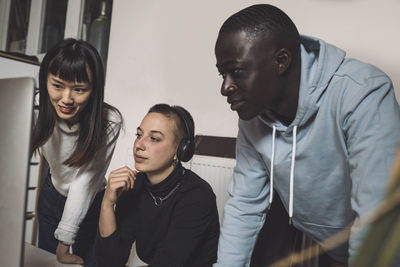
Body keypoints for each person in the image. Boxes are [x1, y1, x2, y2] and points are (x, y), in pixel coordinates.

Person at [213, 4, 400, 267]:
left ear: (281, 61)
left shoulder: (361, 93)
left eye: (237, 71)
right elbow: (244, 205)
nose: (225, 87)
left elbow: (375, 220)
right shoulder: (253, 116)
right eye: (222, 73)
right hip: (332, 249)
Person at [31, 38, 123, 266]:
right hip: (52, 195)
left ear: (94, 90)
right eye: (58, 85)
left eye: (79, 89)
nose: (66, 99)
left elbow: (83, 183)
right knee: (46, 261)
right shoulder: (36, 105)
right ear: (46, 81)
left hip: (91, 201)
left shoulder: (109, 122)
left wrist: (64, 244)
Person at [95, 104, 220, 267]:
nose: (139, 145)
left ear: (180, 149)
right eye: (138, 134)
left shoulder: (197, 196)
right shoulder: (134, 184)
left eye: (154, 138)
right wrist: (107, 204)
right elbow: (110, 262)